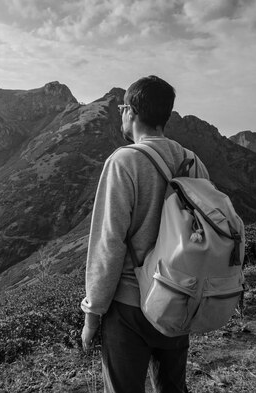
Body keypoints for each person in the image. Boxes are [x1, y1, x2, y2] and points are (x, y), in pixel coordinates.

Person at [81, 75, 209, 393]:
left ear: (131, 112)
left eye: (123, 107)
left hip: (129, 307)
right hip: (178, 298)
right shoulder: (194, 163)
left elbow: (108, 243)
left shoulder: (124, 162)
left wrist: (93, 314)